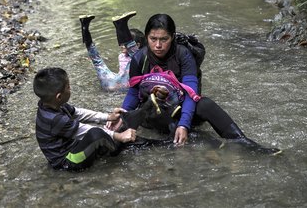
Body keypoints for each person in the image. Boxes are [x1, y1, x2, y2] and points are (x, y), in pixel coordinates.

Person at [110, 13, 282, 155]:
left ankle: (242, 142)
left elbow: (191, 92)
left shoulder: (183, 55)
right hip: (153, 111)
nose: (158, 45)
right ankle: (195, 139)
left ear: (173, 37)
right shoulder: (140, 57)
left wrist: (184, 124)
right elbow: (133, 93)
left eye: (164, 39)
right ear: (146, 37)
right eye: (153, 39)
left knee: (205, 103)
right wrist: (124, 115)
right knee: (136, 114)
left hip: (182, 108)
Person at [33, 67, 137, 171]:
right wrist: (119, 136)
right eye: (68, 87)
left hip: (72, 147)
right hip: (67, 162)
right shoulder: (55, 119)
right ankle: (116, 151)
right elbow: (83, 130)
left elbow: (79, 113)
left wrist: (108, 117)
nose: (70, 89)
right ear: (59, 96)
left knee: (104, 131)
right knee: (97, 134)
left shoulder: (52, 104)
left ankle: (111, 144)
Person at [79, 11, 143, 92]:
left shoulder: (123, 56)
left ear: (137, 45)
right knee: (136, 57)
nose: (122, 45)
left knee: (97, 61)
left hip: (109, 84)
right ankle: (120, 24)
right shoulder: (139, 56)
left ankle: (84, 25)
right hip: (124, 85)